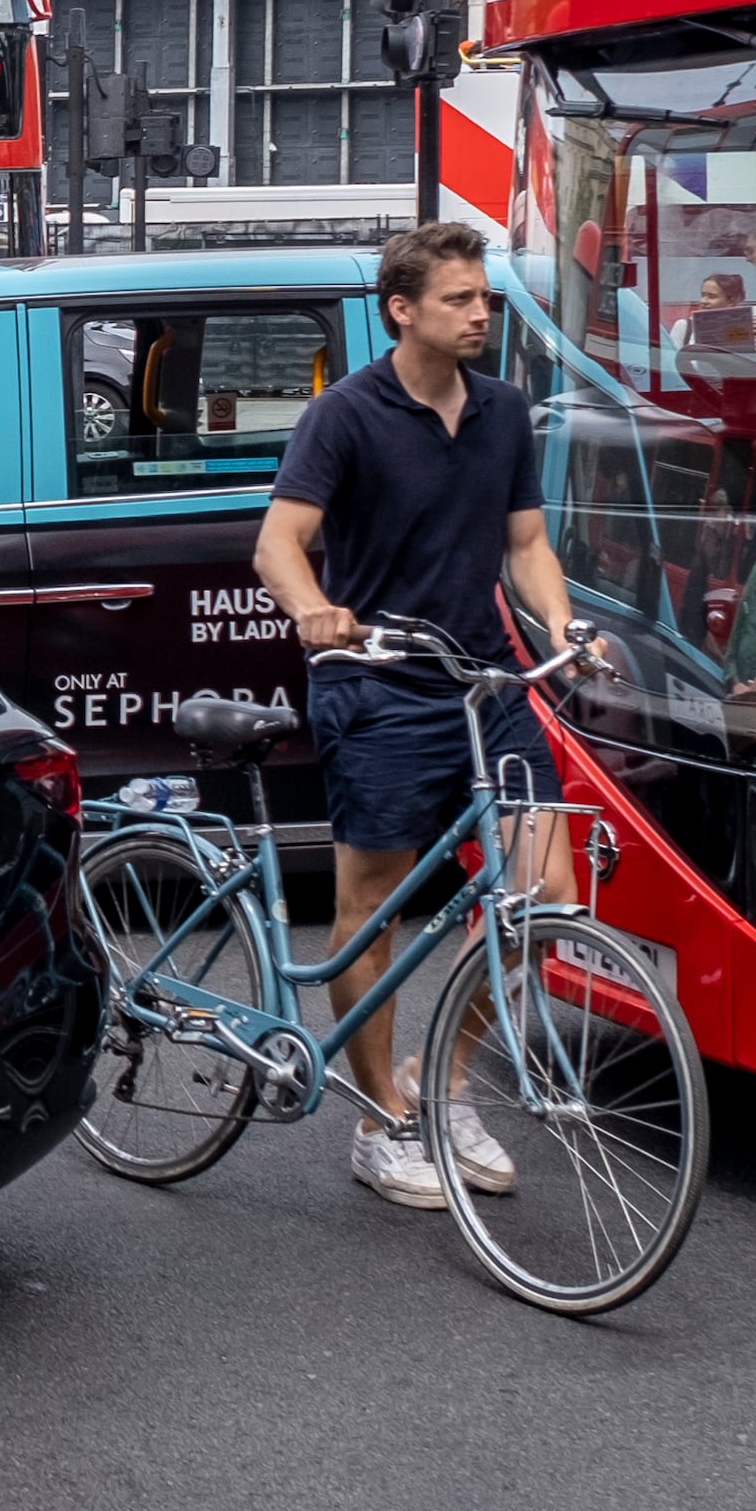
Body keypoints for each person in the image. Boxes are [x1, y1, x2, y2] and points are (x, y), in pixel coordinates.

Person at [256, 220, 603, 1214]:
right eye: (459, 299)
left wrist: (562, 623)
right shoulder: (344, 415)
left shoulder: (502, 410)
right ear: (401, 310)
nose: (480, 314)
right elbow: (278, 543)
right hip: (377, 683)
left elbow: (525, 544)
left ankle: (443, 1085)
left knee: (544, 894)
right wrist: (311, 608)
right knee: (371, 909)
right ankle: (378, 1120)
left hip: (484, 681)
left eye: (483, 297)